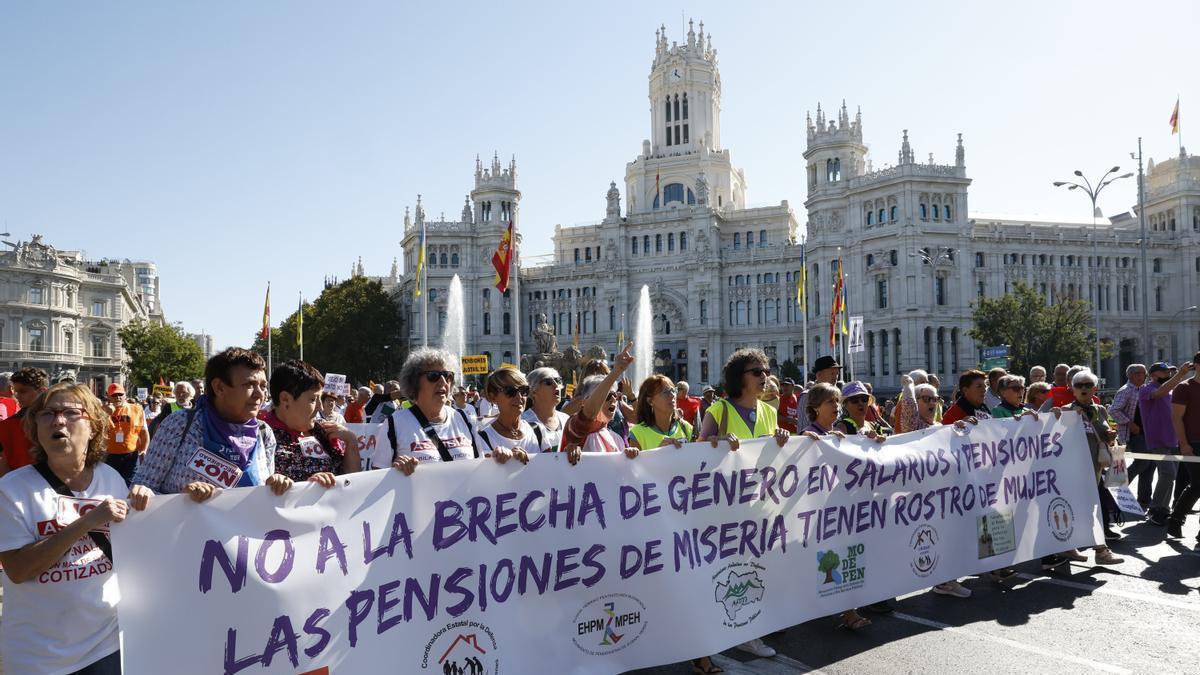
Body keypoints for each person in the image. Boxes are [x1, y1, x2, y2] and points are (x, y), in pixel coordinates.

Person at [0, 383, 148, 673]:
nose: (58, 421)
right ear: (35, 427)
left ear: (92, 427)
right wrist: (86, 522)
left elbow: (132, 552)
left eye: (70, 412)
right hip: (38, 656)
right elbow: (17, 570)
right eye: (47, 414)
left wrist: (153, 506)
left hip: (105, 645)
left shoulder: (112, 479)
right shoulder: (11, 490)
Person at [696, 348, 789, 657]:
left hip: (760, 504)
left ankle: (747, 625)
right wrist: (718, 443)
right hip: (726, 508)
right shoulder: (720, 410)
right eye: (757, 372)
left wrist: (782, 439)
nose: (765, 377)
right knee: (735, 570)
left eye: (766, 370)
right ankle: (743, 631)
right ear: (740, 378)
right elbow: (697, 451)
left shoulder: (769, 412)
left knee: (756, 567)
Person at [128, 348, 294, 508]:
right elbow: (141, 490)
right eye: (249, 385)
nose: (260, 394)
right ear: (219, 388)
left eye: (263, 386)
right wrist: (181, 500)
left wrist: (276, 486)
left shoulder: (264, 433)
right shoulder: (179, 425)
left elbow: (264, 499)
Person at [388, 348, 518, 470]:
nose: (443, 382)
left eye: (448, 375)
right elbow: (375, 478)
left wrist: (501, 457)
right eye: (433, 375)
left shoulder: (463, 418)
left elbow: (478, 464)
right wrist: (395, 471)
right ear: (414, 382)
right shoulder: (394, 423)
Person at [1059, 369, 1124, 564]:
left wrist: (1110, 436)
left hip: (1096, 467)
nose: (1084, 388)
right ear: (1073, 389)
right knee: (1088, 508)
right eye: (1080, 385)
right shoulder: (1065, 412)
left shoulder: (1100, 409)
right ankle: (1100, 551)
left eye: (1088, 385)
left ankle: (1070, 547)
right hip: (1075, 468)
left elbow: (1104, 434)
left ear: (1095, 388)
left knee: (1085, 508)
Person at [263, 360, 360, 484]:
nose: (320, 407)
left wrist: (351, 441)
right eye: (313, 399)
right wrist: (307, 488)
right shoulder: (260, 436)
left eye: (320, 399)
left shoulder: (324, 431)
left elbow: (352, 483)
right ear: (285, 399)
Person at [560, 344, 641, 459]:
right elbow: (590, 412)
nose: (613, 399)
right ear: (585, 401)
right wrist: (616, 371)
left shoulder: (616, 438)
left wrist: (627, 456)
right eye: (606, 396)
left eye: (614, 395)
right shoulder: (576, 427)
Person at [1132, 363, 1188, 525]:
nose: (1168, 373)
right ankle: (1155, 508)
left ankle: (1164, 509)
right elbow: (1160, 392)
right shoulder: (1146, 390)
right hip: (1158, 439)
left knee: (1170, 475)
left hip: (1173, 438)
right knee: (1168, 472)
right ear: (1154, 375)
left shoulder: (1170, 390)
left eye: (1170, 371)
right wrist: (1180, 375)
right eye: (1164, 371)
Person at [475, 368, 549, 457]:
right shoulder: (483, 438)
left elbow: (552, 466)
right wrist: (496, 459)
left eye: (523, 390)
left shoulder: (538, 431)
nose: (519, 397)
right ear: (493, 397)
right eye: (510, 391)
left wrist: (567, 452)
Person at [1166, 357, 1200, 539]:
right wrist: (1184, 444)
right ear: (1197, 365)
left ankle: (1176, 521)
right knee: (1197, 485)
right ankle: (1176, 520)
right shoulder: (1184, 388)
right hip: (1193, 442)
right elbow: (1176, 418)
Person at [0, 367, 49, 475]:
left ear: (42, 391)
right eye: (16, 391)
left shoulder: (56, 422)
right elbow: (4, 461)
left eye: (23, 391)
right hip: (19, 484)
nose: (17, 396)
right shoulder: (8, 425)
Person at [630, 375, 693, 450]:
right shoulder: (637, 434)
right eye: (666, 392)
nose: (672, 395)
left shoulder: (686, 428)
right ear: (650, 401)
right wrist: (659, 452)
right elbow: (636, 462)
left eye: (673, 390)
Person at [101, 383, 148, 486]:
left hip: (131, 455)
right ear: (108, 396)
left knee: (129, 484)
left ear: (125, 395)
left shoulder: (137, 409)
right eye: (114, 395)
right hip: (110, 455)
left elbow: (144, 432)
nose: (118, 397)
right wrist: (104, 414)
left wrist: (143, 450)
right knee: (112, 484)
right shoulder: (102, 411)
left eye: (120, 394)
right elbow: (95, 430)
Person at [522, 368, 570, 451]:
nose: (556, 385)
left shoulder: (566, 419)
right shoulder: (523, 421)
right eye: (548, 382)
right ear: (533, 391)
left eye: (558, 381)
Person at [795, 355, 842, 431]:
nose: (836, 377)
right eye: (832, 373)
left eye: (837, 373)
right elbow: (803, 429)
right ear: (819, 375)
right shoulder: (807, 396)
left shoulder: (837, 395)